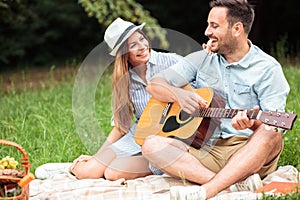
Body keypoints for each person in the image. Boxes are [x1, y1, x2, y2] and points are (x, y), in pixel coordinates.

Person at [141, 0, 290, 199]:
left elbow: (276, 123)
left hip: (247, 151)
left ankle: (207, 190)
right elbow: (154, 84)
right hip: (205, 149)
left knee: (271, 131)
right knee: (151, 145)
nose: (207, 32)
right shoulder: (202, 58)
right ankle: (231, 186)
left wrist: (252, 124)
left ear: (236, 29)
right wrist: (179, 94)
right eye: (208, 24)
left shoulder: (268, 69)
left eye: (214, 26)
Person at [67, 18, 183, 180]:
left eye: (142, 39)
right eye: (133, 45)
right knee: (88, 172)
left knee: (112, 172)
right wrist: (97, 156)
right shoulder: (125, 80)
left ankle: (159, 163)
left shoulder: (171, 61)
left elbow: (202, 88)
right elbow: (121, 125)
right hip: (139, 135)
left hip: (169, 136)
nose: (142, 47)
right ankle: (72, 167)